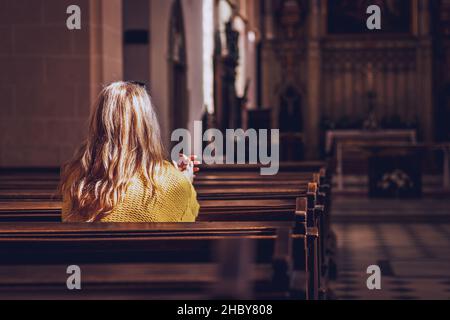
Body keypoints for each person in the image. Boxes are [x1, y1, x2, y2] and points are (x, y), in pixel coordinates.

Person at [60, 81, 200, 223]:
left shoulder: (77, 179)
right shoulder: (174, 183)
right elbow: (187, 221)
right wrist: (184, 180)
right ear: (147, 126)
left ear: (99, 124)